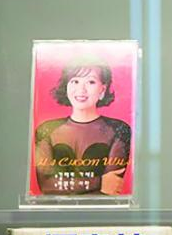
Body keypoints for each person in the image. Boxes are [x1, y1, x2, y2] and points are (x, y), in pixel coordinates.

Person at [34, 55, 131, 195]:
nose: (81, 89)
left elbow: (112, 186)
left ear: (102, 90)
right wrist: (99, 182)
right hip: (57, 208)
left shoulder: (118, 130)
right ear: (66, 86)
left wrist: (69, 184)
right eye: (75, 81)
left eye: (91, 82)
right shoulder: (47, 130)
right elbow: (46, 186)